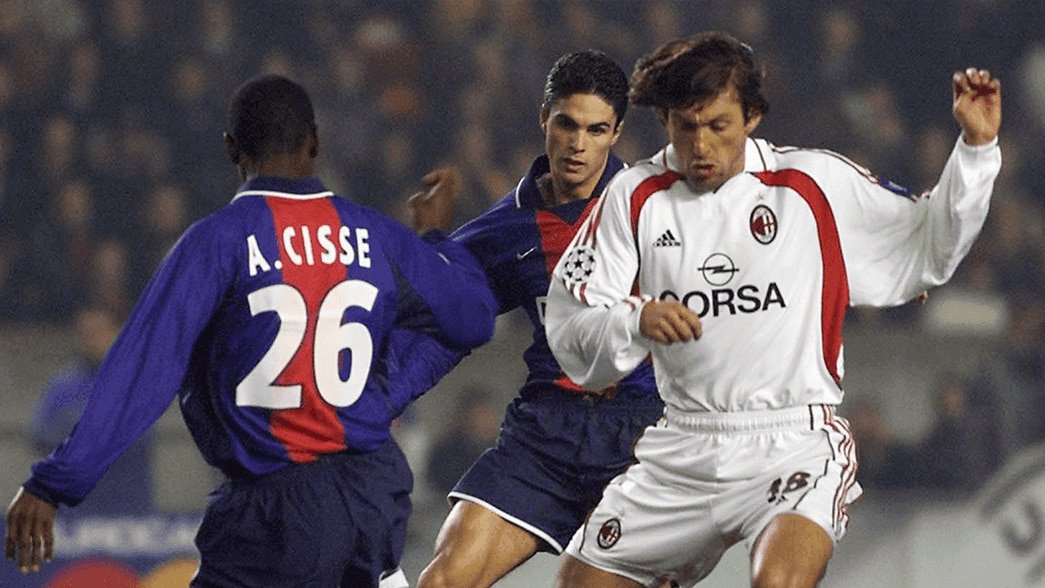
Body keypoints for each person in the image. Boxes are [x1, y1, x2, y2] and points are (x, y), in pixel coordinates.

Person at [545, 32, 1001, 587]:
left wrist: (975, 152)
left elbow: (926, 240)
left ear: (752, 117)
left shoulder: (811, 185)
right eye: (685, 127)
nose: (701, 146)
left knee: (778, 582)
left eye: (718, 125)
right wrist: (632, 319)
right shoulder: (634, 196)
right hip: (682, 448)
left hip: (793, 443)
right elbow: (571, 324)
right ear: (664, 120)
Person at [4, 74, 497, 587]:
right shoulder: (379, 235)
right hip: (370, 498)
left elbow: (142, 372)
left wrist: (54, 482)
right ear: (316, 142)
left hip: (273, 510)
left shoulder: (216, 244)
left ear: (231, 148)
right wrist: (437, 240)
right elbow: (472, 318)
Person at [401, 51, 664, 588]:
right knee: (442, 580)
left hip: (644, 436)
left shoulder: (656, 205)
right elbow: (443, 319)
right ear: (544, 118)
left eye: (596, 129)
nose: (577, 143)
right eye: (566, 123)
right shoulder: (504, 230)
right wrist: (431, 245)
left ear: (616, 133)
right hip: (546, 433)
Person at [28, 305, 155, 515]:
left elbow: (142, 434)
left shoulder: (134, 383)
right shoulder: (62, 387)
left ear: (115, 333)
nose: (91, 340)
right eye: (85, 334)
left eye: (98, 332)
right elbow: (40, 434)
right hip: (72, 510)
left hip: (128, 507)